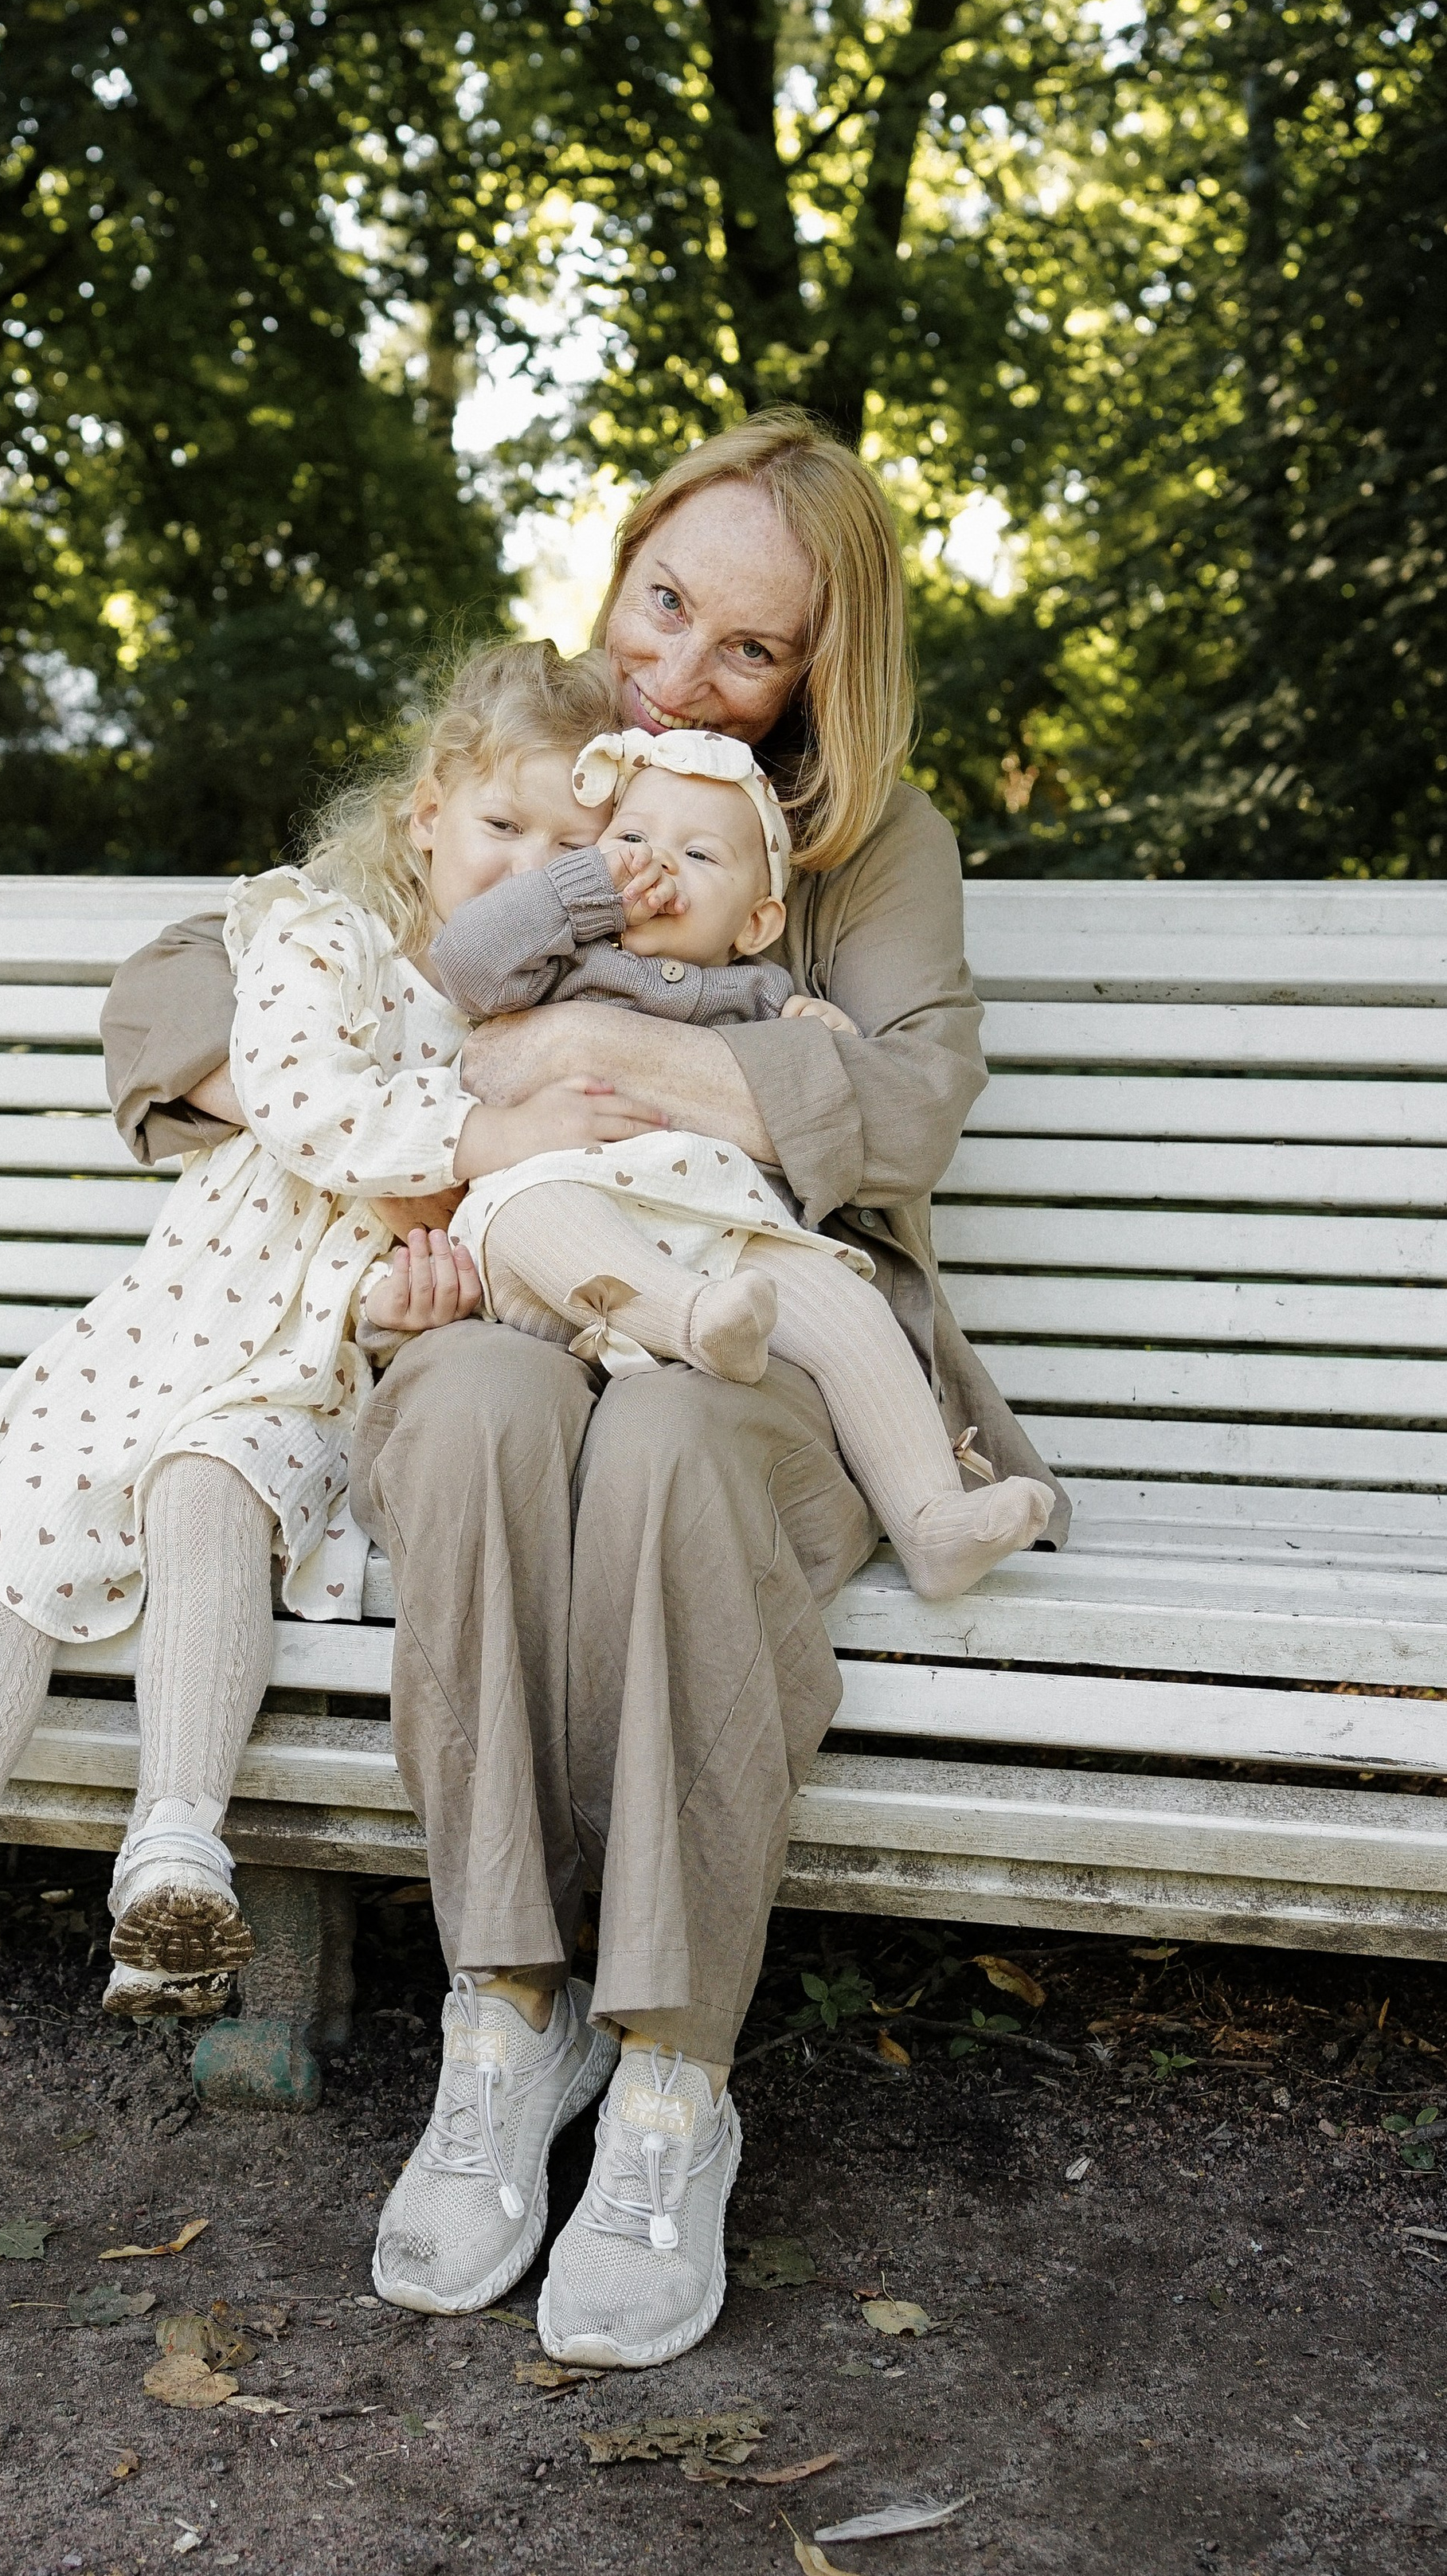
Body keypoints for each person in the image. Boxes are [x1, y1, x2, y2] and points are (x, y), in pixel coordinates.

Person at [102, 402, 1067, 2374]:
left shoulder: (867, 847)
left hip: (765, 1315)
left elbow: (906, 1105)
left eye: (749, 646)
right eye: (664, 602)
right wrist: (391, 1100)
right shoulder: (546, 758)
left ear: (816, 676)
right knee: (468, 1411)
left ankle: (667, 2076)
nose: (679, 668)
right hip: (527, 1281)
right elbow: (193, 977)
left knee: (670, 1444)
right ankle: (503, 2020)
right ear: (619, 568)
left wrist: (597, 1065)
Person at [0, 640, 656, 2049]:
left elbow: (497, 1238)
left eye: (565, 855)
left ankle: (177, 1859)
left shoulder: (540, 1032)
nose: (526, 871)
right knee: (31, 1512)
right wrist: (484, 1133)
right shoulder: (322, 939)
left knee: (212, 1481)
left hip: (312, 1371)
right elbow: (303, 1101)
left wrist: (421, 1307)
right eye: (500, 826)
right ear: (425, 814)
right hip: (171, 1323)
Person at [428, 720, 1056, 1596]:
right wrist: (586, 888)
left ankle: (931, 1519)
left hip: (715, 1235)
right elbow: (463, 963)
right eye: (631, 839)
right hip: (561, 1240)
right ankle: (690, 1321)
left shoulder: (759, 994)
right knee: (536, 1207)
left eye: (697, 855)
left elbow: (852, 1087)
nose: (654, 866)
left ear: (757, 921)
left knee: (846, 1303)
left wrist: (815, 1030)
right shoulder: (561, 964)